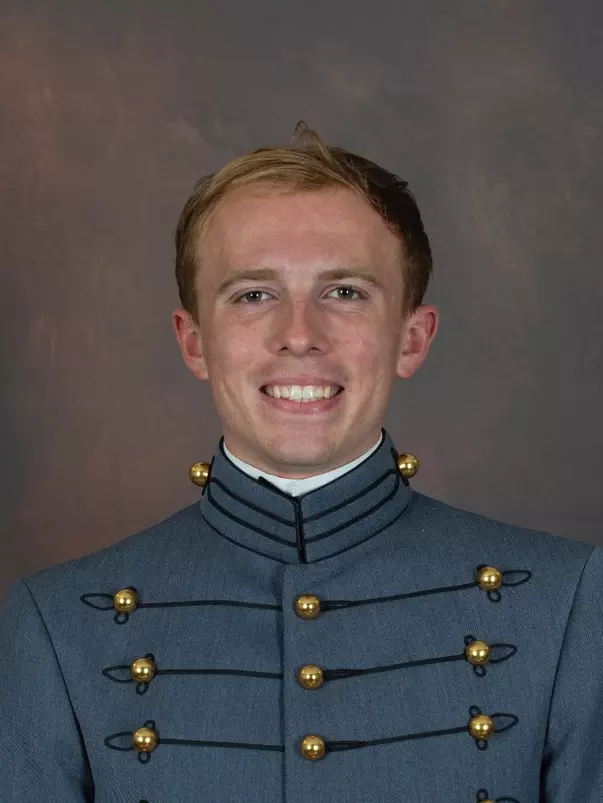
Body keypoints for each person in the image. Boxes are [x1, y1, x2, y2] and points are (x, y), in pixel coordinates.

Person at [0, 122, 601, 803]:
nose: (298, 336)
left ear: (411, 337)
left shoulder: (567, 602)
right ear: (194, 343)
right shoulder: (55, 623)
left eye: (343, 291)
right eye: (253, 294)